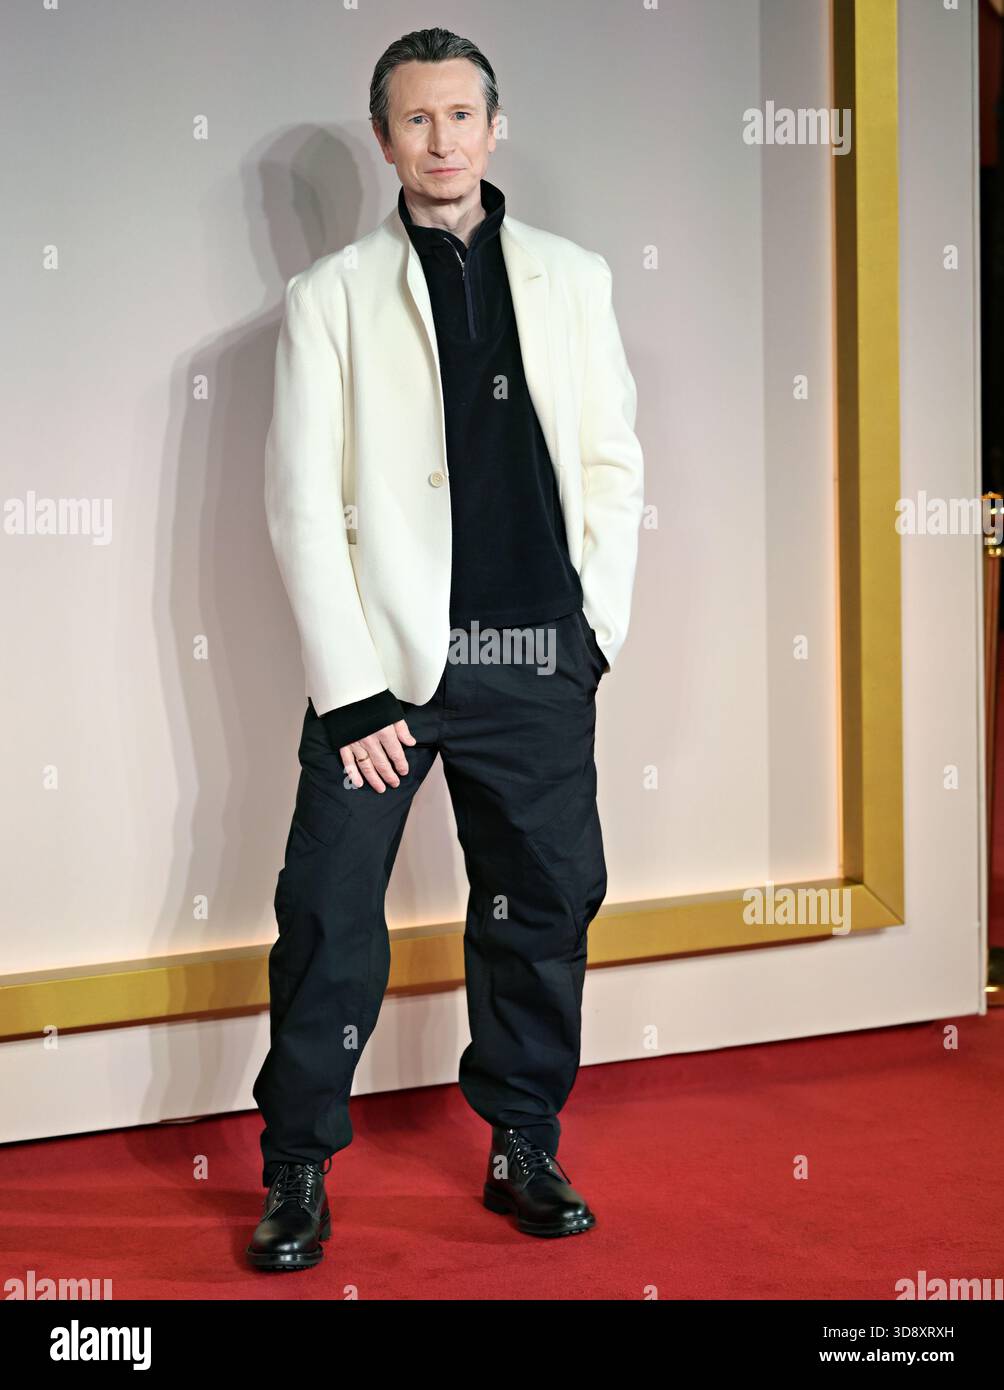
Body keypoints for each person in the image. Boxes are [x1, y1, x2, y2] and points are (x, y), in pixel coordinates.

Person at [247, 25, 644, 1272]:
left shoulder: (575, 278)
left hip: (535, 658)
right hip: (386, 674)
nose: (439, 141)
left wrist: (593, 633)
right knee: (325, 910)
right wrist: (350, 689)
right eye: (414, 121)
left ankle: (522, 1137)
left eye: (459, 116)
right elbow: (303, 503)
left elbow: (612, 465)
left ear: (492, 125)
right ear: (384, 139)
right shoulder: (329, 300)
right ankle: (297, 1166)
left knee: (543, 905)